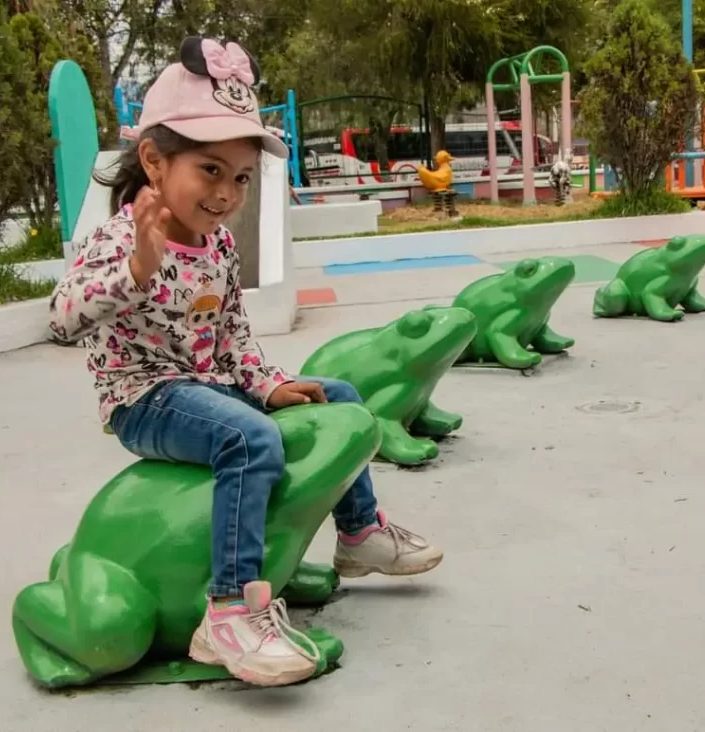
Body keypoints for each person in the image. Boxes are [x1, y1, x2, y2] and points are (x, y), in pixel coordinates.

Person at [48, 36, 443, 688]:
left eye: (239, 177)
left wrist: (272, 383)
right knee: (249, 438)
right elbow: (61, 318)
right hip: (144, 398)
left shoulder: (220, 244)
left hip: (212, 387)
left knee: (337, 394)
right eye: (209, 170)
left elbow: (233, 339)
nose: (227, 192)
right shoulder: (121, 236)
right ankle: (228, 610)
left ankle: (360, 533)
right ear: (152, 161)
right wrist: (134, 271)